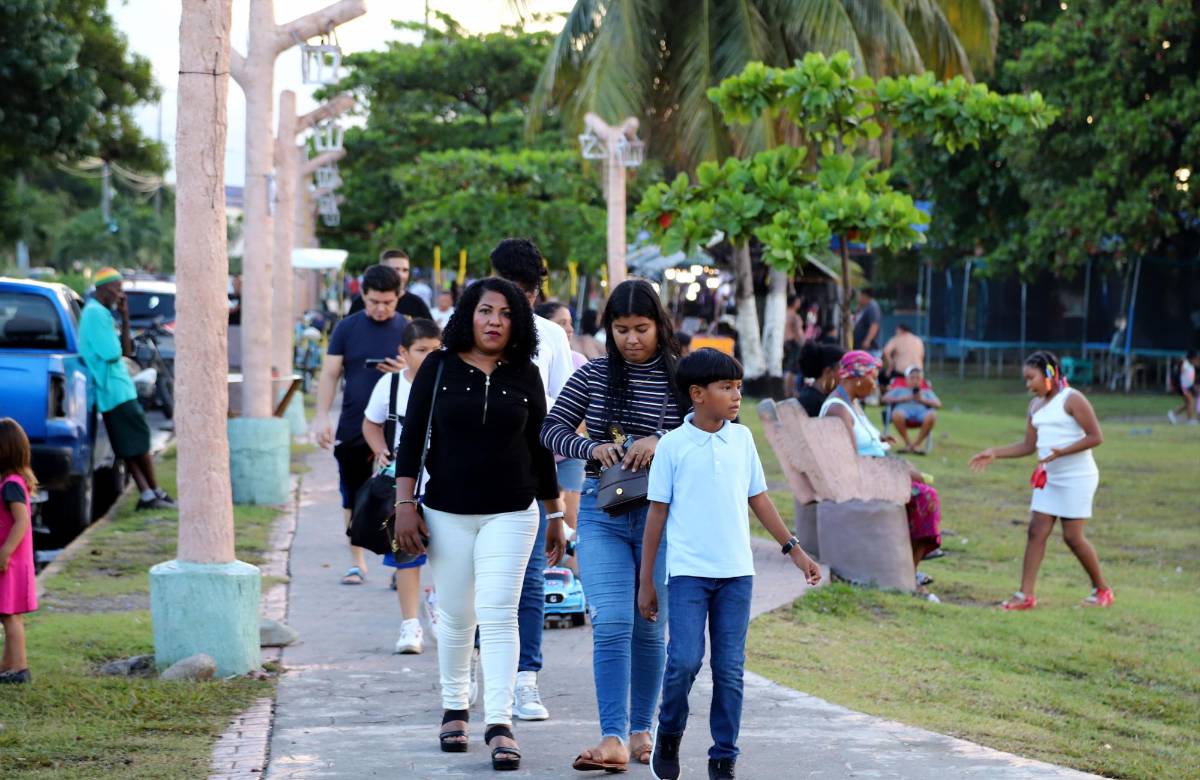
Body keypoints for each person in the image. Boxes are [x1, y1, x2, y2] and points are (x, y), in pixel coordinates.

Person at [391, 278, 564, 771]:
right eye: (486, 311)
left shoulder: (525, 373)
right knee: (456, 614)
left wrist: (555, 514)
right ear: (469, 314)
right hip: (446, 510)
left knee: (498, 611)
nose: (495, 321)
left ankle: (500, 723)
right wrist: (406, 504)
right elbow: (411, 441)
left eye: (506, 314)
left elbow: (539, 448)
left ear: (519, 323)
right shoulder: (438, 368)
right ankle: (454, 709)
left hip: (512, 511)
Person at [639, 350, 822, 780]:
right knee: (684, 660)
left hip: (737, 575)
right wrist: (645, 580)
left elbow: (758, 497)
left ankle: (724, 755)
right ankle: (669, 732)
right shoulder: (673, 446)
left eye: (738, 386)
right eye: (727, 387)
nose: (736, 395)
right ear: (697, 394)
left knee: (729, 669)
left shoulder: (741, 440)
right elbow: (657, 514)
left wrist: (794, 549)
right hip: (687, 575)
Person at [540, 279, 685, 772]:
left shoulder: (682, 378)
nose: (631, 339)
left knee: (650, 625)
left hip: (662, 520)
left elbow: (713, 430)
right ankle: (613, 737)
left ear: (659, 326)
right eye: (621, 330)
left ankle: (644, 730)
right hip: (603, 515)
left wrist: (662, 440)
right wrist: (590, 447)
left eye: (641, 328)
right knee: (612, 622)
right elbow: (550, 427)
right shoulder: (593, 376)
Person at [491, 238, 575, 721]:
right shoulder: (465, 328)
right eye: (510, 288)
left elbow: (562, 414)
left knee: (529, 581)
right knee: (481, 583)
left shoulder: (550, 337)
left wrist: (559, 505)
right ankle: (480, 674)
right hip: (473, 478)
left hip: (531, 475)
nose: (519, 300)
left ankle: (526, 680)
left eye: (528, 291)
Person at [969, 351, 1113, 610]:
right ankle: (1025, 596)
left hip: (1077, 477)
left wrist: (1062, 452)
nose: (1028, 385)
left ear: (1049, 373)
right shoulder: (1035, 406)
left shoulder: (1072, 399)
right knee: (1036, 531)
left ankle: (1102, 590)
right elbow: (1028, 445)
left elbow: (1096, 437)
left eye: (1031, 378)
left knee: (1072, 537)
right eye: (1025, 380)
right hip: (1049, 477)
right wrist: (995, 452)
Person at [313, 264, 408, 586]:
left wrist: (407, 367)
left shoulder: (408, 330)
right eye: (373, 302)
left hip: (398, 428)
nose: (380, 309)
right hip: (354, 424)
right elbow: (329, 374)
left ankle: (400, 564)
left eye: (387, 302)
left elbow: (429, 371)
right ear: (363, 296)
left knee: (399, 495)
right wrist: (321, 416)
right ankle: (356, 562)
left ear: (399, 297)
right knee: (352, 495)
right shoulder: (346, 328)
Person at [820, 351, 942, 600]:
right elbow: (850, 461)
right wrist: (898, 470)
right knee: (925, 497)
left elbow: (860, 444)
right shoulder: (837, 409)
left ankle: (907, 568)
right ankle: (909, 573)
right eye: (873, 378)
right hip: (859, 481)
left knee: (923, 491)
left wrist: (880, 442)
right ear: (856, 378)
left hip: (872, 473)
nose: (875, 385)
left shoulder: (851, 404)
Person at [362, 318, 443, 655]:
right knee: (406, 553)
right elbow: (371, 423)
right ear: (403, 352)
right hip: (404, 483)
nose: (428, 357)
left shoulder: (449, 381)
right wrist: (380, 449)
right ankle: (410, 625)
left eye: (435, 350)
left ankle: (439, 606)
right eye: (421, 350)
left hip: (443, 482)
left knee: (444, 553)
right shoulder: (390, 385)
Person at [78, 267, 174, 511]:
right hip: (116, 389)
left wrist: (125, 315)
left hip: (114, 390)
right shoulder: (96, 314)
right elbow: (113, 353)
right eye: (116, 288)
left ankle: (148, 495)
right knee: (139, 442)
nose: (120, 294)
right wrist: (117, 328)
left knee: (129, 446)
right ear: (102, 288)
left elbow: (127, 350)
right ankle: (154, 492)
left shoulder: (103, 313)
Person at [534, 301, 588, 574]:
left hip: (569, 452)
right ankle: (547, 566)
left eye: (569, 322)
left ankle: (574, 573)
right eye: (561, 323)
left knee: (569, 515)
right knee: (545, 514)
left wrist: (569, 435)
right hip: (539, 451)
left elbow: (584, 410)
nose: (568, 328)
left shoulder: (579, 362)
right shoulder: (536, 356)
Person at [0, 419, 37, 684]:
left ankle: (19, 669)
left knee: (8, 615)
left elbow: (22, 521)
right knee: (9, 613)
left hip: (9, 560)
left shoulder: (11, 484)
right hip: (12, 559)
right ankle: (9, 666)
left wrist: (5, 552)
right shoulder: (11, 481)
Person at [348, 249, 433, 321]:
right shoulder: (360, 303)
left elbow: (432, 335)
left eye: (405, 270)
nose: (401, 275)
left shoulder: (416, 303)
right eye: (396, 269)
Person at [883, 366, 942, 453]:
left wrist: (922, 400)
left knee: (932, 415)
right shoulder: (899, 390)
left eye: (918, 378)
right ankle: (908, 444)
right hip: (903, 413)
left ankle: (916, 445)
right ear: (906, 379)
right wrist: (902, 399)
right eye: (912, 378)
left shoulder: (926, 392)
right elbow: (884, 399)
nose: (915, 381)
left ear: (922, 380)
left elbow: (938, 404)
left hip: (922, 414)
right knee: (896, 414)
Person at [796, 342, 844, 417]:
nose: (846, 375)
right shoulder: (809, 401)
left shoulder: (828, 397)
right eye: (842, 370)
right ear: (828, 372)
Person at [1167, 350, 1198, 425]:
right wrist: (1174, 385)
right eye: (1195, 358)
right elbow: (1177, 374)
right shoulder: (1184, 363)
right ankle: (1189, 420)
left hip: (1188, 387)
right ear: (1191, 357)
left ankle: (1172, 414)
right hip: (1182, 386)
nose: (1196, 360)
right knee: (1190, 402)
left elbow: (1189, 377)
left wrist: (1193, 386)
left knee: (1188, 403)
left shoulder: (1191, 365)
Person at [783, 296, 805, 396]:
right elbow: (798, 332)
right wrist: (803, 344)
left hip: (785, 342)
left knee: (788, 367)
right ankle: (790, 391)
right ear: (795, 302)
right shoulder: (795, 316)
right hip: (793, 343)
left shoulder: (784, 314)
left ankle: (788, 391)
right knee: (793, 369)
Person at [853, 288, 882, 355]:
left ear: (864, 296)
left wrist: (867, 341)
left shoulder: (873, 307)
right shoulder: (865, 307)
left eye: (860, 295)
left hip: (870, 349)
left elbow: (874, 325)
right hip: (861, 348)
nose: (858, 298)